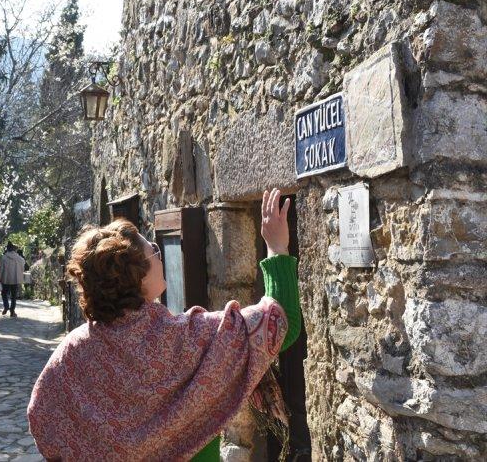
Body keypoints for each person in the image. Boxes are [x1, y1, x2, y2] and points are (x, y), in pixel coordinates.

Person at [27, 189, 301, 461]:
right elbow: (279, 324)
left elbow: (42, 415)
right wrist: (277, 248)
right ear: (139, 276)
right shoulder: (184, 339)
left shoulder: (72, 354)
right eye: (154, 251)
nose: (159, 257)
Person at [0, 242, 25, 317]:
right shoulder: (19, 258)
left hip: (6, 278)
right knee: (13, 295)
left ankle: (6, 306)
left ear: (7, 249)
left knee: (4, 293)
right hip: (15, 279)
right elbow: (23, 266)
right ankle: (12, 311)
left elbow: (1, 268)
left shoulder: (3, 257)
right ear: (14, 249)